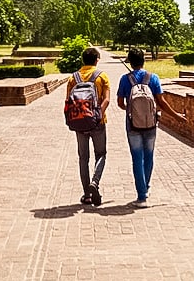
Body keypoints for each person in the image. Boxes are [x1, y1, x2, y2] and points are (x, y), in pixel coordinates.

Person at [116, 48, 186, 208]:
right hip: (151, 124)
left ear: (130, 61)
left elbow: (120, 103)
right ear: (143, 60)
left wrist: (131, 109)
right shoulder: (152, 78)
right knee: (149, 156)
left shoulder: (125, 79)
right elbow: (161, 102)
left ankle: (141, 196)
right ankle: (146, 188)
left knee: (136, 159)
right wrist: (177, 116)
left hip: (132, 125)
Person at [65, 47, 110, 206]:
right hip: (98, 122)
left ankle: (87, 194)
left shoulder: (73, 78)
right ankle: (95, 183)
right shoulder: (101, 76)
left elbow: (68, 103)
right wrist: (97, 116)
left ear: (83, 60)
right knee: (101, 154)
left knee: (83, 158)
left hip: (79, 122)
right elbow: (106, 100)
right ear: (97, 60)